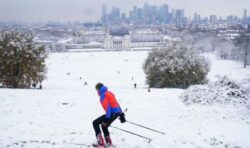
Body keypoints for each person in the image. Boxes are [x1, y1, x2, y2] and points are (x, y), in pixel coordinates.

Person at [92, 82, 126, 147]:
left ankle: (101, 143)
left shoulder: (103, 95)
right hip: (116, 113)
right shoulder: (110, 93)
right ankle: (109, 143)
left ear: (98, 89)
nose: (96, 91)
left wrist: (107, 118)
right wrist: (121, 114)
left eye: (96, 90)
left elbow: (108, 107)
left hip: (111, 114)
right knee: (104, 126)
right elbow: (117, 104)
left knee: (95, 123)